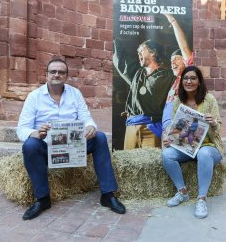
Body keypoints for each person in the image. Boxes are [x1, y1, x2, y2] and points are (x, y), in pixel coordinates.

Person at [16, 56, 126, 220]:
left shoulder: (75, 94)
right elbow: (22, 128)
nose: (57, 75)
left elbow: (86, 118)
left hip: (73, 146)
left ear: (66, 76)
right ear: (46, 74)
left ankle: (108, 195)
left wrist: (90, 127)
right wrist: (36, 133)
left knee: (100, 137)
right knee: (30, 145)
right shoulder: (34, 96)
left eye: (61, 72)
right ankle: (43, 199)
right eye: (53, 72)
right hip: (47, 146)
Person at [161, 66, 224, 219]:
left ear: (199, 81)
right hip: (187, 146)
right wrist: (170, 138)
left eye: (193, 78)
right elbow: (176, 127)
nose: (189, 81)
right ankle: (182, 192)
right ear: (181, 81)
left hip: (209, 146)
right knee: (167, 154)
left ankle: (201, 199)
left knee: (203, 153)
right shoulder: (178, 101)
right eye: (186, 78)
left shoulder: (209, 100)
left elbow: (218, 131)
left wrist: (214, 123)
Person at [113, 39, 175, 149]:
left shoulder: (167, 76)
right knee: (129, 163)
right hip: (131, 126)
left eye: (141, 50)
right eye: (138, 52)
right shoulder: (136, 74)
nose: (138, 54)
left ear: (153, 52)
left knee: (152, 164)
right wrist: (113, 40)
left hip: (152, 128)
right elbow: (121, 61)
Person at [162, 14, 194, 133]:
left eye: (176, 58)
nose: (172, 62)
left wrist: (173, 22)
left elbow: (184, 47)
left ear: (185, 61)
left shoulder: (189, 74)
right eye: (171, 60)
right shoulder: (175, 81)